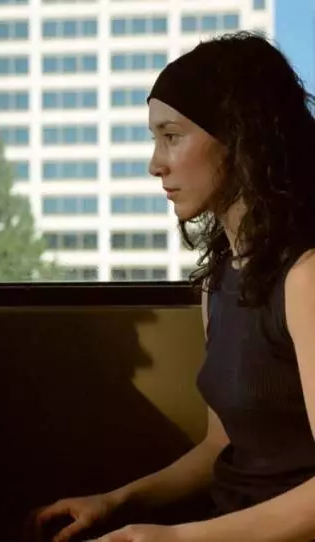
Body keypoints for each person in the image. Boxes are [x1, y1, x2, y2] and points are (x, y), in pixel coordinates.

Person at [30, 31, 315, 542]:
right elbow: (221, 448)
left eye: (172, 136)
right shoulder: (221, 280)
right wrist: (116, 502)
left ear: (241, 138)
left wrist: (177, 538)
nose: (154, 163)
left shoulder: (306, 276)